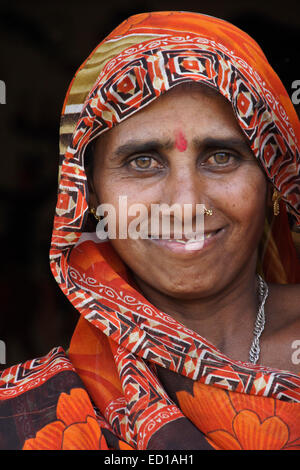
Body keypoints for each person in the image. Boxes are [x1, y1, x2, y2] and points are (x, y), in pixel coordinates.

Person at [0, 11, 299, 451]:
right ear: (90, 195)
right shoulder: (24, 417)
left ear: (272, 179)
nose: (184, 203)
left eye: (220, 156)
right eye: (143, 161)